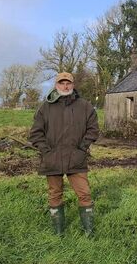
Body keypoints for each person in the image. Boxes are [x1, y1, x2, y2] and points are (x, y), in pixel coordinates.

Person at [29, 72, 99, 236]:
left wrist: (82, 149)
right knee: (55, 194)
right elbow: (36, 133)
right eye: (62, 83)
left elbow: (93, 130)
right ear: (56, 85)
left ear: (73, 85)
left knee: (84, 194)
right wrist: (46, 152)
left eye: (68, 83)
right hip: (52, 160)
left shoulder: (85, 106)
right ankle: (59, 232)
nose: (65, 86)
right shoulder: (45, 107)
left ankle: (89, 233)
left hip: (76, 159)